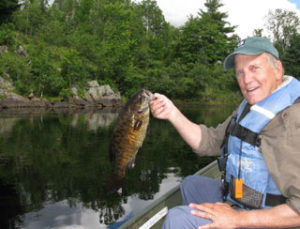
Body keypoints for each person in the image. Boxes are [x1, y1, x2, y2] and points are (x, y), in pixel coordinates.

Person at [149, 36, 300, 229]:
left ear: (278, 69)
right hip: (246, 199)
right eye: (240, 72)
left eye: (254, 68)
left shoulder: (292, 121)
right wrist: (172, 113)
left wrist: (237, 219)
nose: (246, 80)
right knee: (191, 184)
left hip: (272, 220)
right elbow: (210, 142)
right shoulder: (251, 106)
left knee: (177, 219)